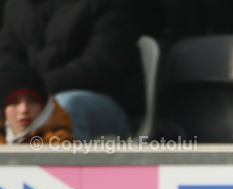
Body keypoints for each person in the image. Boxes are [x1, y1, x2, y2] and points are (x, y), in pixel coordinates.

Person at [0, 0, 144, 141]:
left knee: (64, 107)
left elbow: (101, 65)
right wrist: (25, 91)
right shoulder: (18, 5)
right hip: (34, 96)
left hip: (104, 102)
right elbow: (7, 58)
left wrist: (37, 89)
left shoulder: (107, 4)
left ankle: (57, 165)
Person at [0, 63, 75, 144]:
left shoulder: (60, 141)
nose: (24, 109)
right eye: (14, 102)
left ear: (45, 107)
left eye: (32, 101)